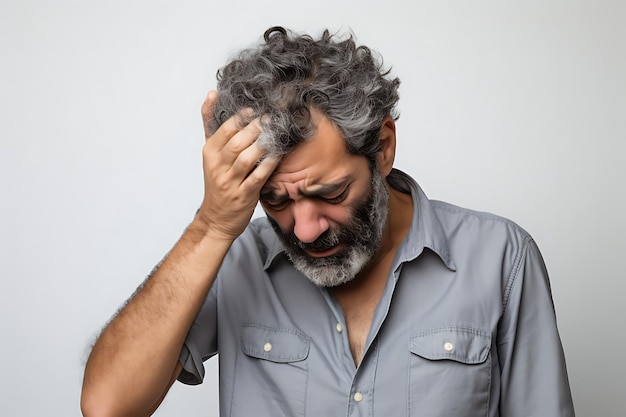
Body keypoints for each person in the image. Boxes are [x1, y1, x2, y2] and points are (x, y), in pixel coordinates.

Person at [81, 26, 575, 417]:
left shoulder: (501, 258)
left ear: (382, 148)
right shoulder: (233, 260)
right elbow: (107, 406)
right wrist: (211, 226)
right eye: (274, 200)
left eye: (331, 193)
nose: (305, 229)